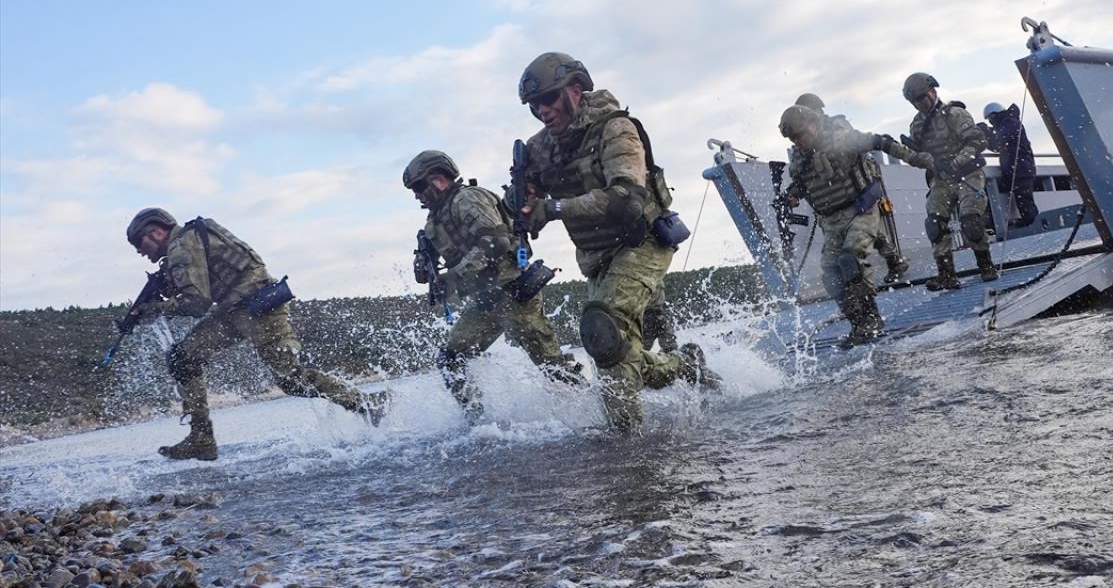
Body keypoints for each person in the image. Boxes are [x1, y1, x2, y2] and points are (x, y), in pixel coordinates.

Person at [512, 51, 719, 432]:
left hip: (642, 242)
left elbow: (626, 199)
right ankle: (684, 367)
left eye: (549, 99)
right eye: (535, 105)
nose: (543, 110)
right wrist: (524, 203)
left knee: (604, 332)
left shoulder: (615, 129)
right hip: (597, 258)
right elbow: (530, 198)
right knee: (617, 351)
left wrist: (553, 207)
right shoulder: (539, 149)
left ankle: (625, 443)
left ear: (575, 90)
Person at [125, 208, 387, 462]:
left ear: (157, 232)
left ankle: (367, 403)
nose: (139, 251)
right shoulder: (187, 240)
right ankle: (201, 438)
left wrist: (156, 309)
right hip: (234, 309)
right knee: (183, 357)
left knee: (291, 379)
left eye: (139, 242)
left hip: (258, 307)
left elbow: (196, 303)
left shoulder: (182, 246)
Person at [402, 150, 584, 422]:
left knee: (553, 369)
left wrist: (453, 276)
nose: (417, 196)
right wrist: (423, 263)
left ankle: (595, 406)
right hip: (484, 304)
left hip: (515, 294)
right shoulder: (434, 222)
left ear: (439, 179)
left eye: (419, 187)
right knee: (451, 359)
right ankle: (478, 422)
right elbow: (428, 274)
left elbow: (495, 242)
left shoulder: (467, 199)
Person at [779, 103, 933, 345]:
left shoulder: (841, 139)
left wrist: (915, 158)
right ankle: (858, 323)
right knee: (831, 273)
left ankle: (872, 319)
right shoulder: (801, 157)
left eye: (800, 136)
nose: (798, 142)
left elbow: (881, 142)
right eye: (793, 139)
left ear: (813, 126)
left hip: (860, 209)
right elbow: (802, 183)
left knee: (850, 259)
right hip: (831, 220)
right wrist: (791, 196)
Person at [794, 93, 912, 283]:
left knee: (860, 237)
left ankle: (875, 275)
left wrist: (912, 156)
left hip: (858, 188)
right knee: (869, 231)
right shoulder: (804, 144)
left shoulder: (836, 129)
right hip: (838, 198)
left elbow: (856, 143)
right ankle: (894, 261)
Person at [902, 73, 999, 289]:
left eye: (922, 98)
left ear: (933, 91)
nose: (919, 105)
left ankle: (986, 265)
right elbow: (919, 156)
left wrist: (957, 162)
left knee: (970, 220)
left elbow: (977, 141)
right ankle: (946, 274)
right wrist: (920, 159)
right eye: (914, 102)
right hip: (941, 179)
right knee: (934, 224)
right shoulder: (917, 125)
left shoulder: (955, 114)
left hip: (968, 174)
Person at [982, 102, 1039, 229]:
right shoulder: (1009, 124)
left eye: (991, 118)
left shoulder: (1010, 124)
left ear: (996, 115)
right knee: (1023, 200)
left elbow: (999, 141)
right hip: (1019, 169)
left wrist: (986, 132)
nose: (991, 121)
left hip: (1020, 170)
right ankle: (1032, 224)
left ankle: (1033, 226)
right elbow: (998, 145)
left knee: (1025, 201)